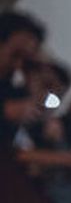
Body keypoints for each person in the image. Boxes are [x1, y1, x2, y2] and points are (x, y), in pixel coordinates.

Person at [0, 10, 44, 140]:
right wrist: (4, 111)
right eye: (15, 54)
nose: (18, 65)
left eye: (26, 60)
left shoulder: (13, 91)